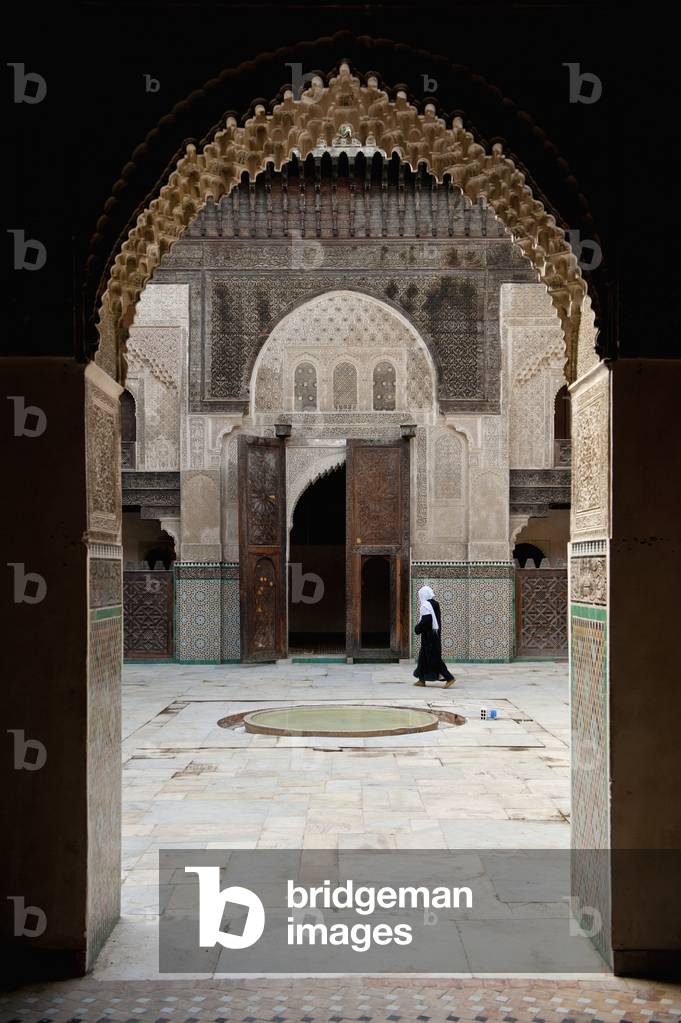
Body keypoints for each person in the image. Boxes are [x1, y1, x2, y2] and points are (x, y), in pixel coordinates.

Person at [413, 585, 456, 687]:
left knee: (434, 659)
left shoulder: (425, 605)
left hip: (429, 637)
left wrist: (417, 628)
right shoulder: (435, 604)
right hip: (434, 635)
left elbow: (426, 621)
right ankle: (422, 679)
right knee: (423, 657)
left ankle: (449, 678)